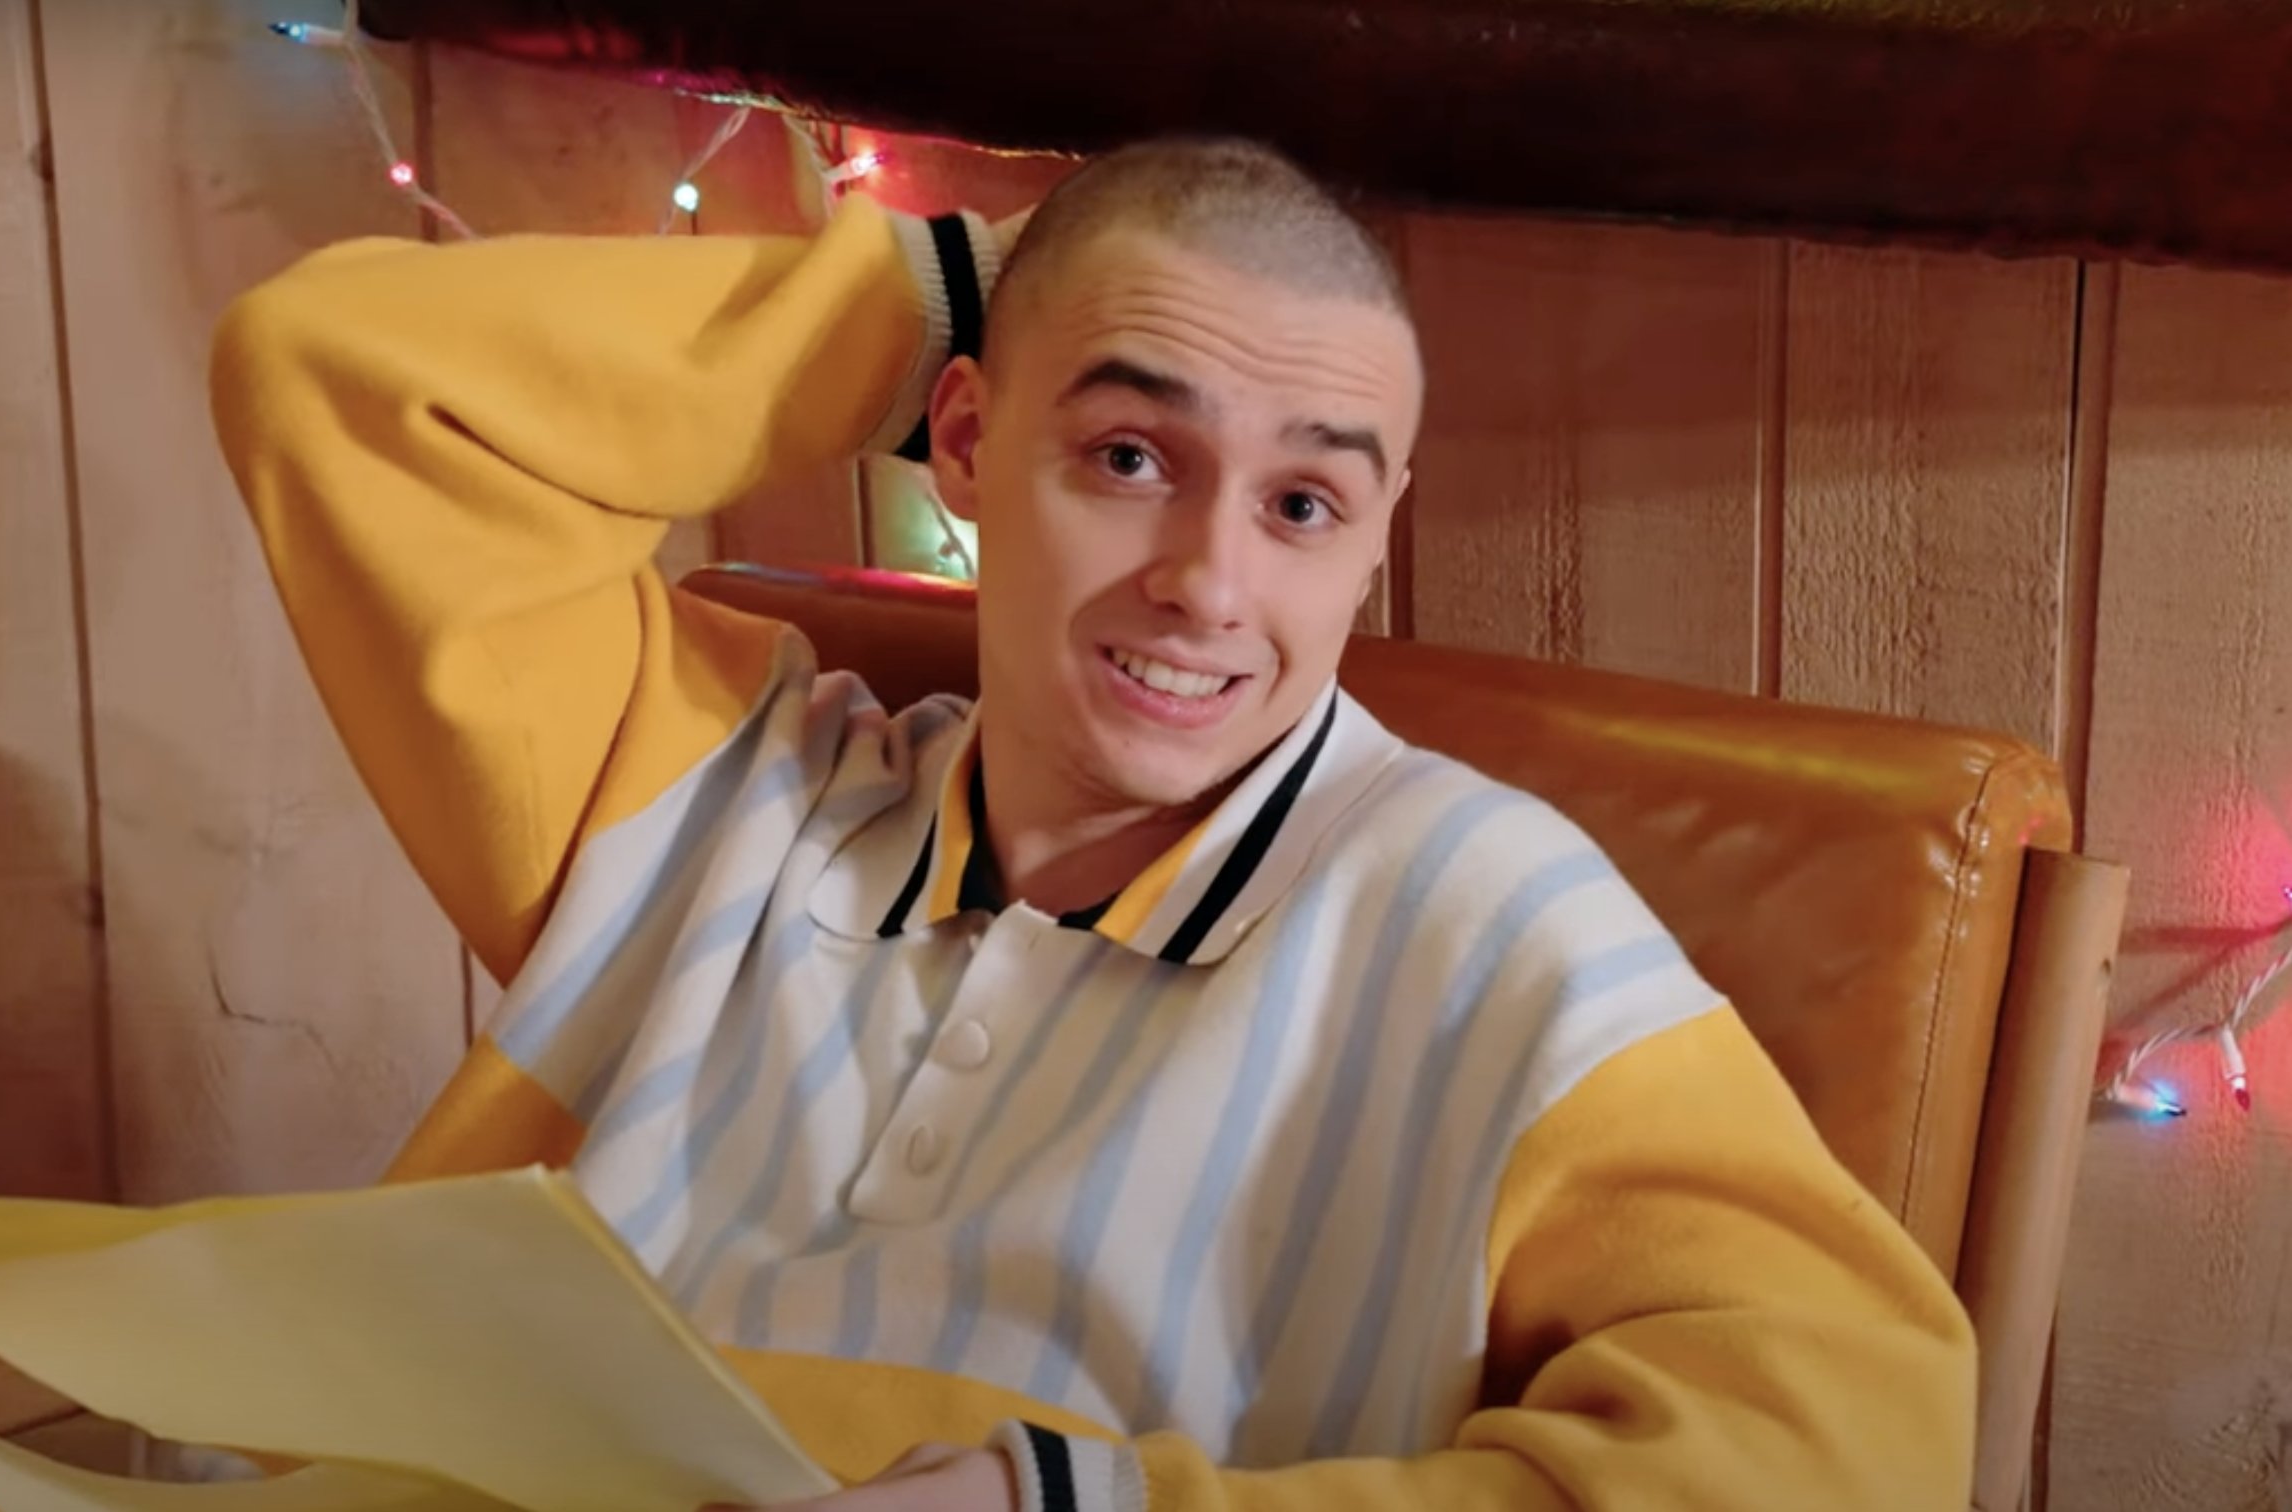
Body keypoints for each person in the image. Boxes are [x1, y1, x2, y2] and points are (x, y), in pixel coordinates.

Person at [210, 137, 1973, 1512]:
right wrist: (979, 291)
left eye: (1304, 503)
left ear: (1375, 536)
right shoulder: (709, 791)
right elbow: (335, 371)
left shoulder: (1484, 914)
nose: (1209, 582)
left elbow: (1857, 1434)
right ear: (967, 442)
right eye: (1130, 455)